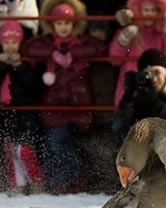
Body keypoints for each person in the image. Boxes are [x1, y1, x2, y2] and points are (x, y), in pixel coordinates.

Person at [22, 0, 107, 194]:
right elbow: (28, 48)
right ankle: (61, 182)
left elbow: (100, 48)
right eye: (59, 23)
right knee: (54, 143)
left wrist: (72, 53)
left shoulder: (81, 42)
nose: (63, 27)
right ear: (52, 24)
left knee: (67, 144)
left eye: (67, 23)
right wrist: (54, 53)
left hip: (79, 102)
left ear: (74, 23)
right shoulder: (48, 43)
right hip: (55, 103)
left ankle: (71, 180)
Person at [0, 21, 46, 195]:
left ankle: (36, 183)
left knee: (24, 150)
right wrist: (1, 65)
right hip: (4, 110)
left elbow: (35, 85)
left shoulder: (29, 60)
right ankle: (16, 185)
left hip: (24, 110)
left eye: (14, 42)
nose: (10, 46)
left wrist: (20, 66)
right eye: (7, 43)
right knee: (10, 149)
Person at [110, 0, 166, 108]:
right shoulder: (131, 31)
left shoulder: (161, 33)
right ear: (138, 11)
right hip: (132, 81)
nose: (149, 14)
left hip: (156, 83)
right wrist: (123, 40)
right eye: (146, 10)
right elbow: (115, 58)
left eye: (153, 10)